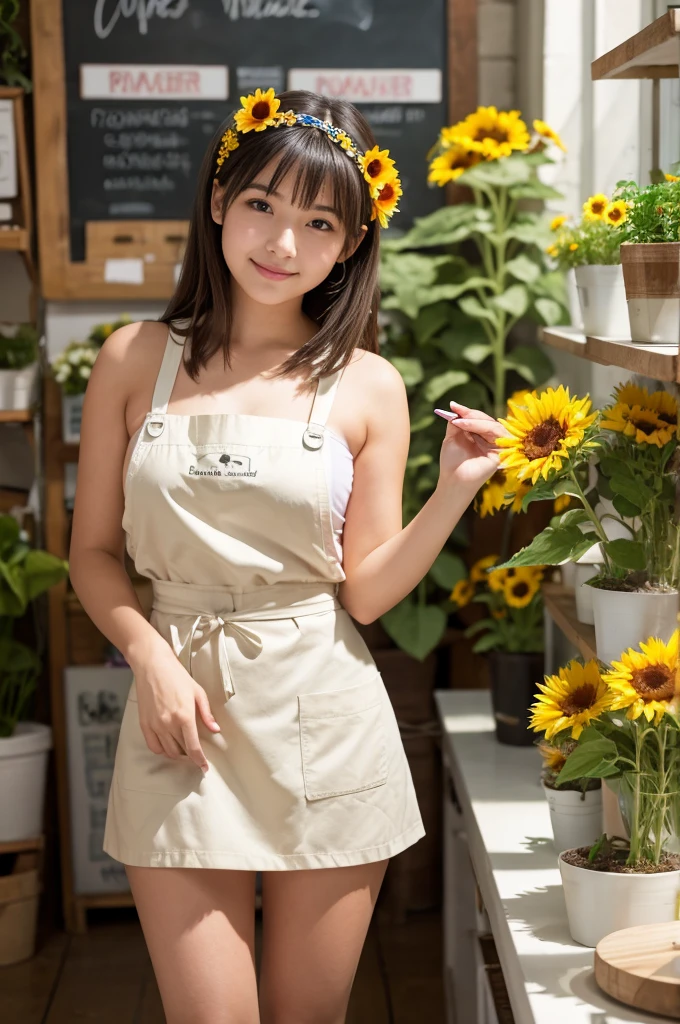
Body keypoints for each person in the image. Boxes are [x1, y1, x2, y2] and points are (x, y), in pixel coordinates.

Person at [69, 89, 506, 1024]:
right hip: (176, 723)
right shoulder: (131, 359)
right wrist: (148, 657)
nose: (283, 243)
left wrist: (455, 491)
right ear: (219, 200)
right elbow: (95, 556)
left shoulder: (367, 386)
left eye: (319, 222)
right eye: (263, 204)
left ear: (350, 244)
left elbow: (368, 594)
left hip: (325, 719)